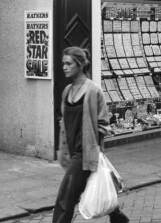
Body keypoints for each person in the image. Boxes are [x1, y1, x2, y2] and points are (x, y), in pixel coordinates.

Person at [54, 47, 129, 223]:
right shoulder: (67, 91)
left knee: (65, 198)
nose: (64, 67)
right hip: (71, 151)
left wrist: (96, 152)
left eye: (68, 63)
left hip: (85, 152)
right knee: (87, 188)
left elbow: (103, 124)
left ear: (80, 65)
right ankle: (117, 216)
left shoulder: (93, 91)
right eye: (63, 63)